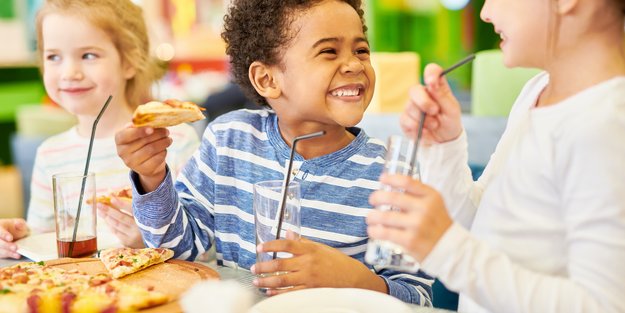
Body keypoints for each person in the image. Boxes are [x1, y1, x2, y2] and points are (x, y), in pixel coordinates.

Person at [115, 0, 433, 305]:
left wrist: (357, 280)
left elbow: (418, 298)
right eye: (328, 51)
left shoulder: (391, 172)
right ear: (267, 79)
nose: (353, 64)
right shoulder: (229, 140)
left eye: (361, 50)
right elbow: (178, 250)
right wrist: (152, 177)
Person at [366, 0, 625, 312]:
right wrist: (446, 145)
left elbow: (602, 305)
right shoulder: (537, 90)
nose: (485, 12)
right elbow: (479, 228)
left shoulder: (607, 124)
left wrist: (449, 251)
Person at [0, 0, 200, 259]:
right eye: (53, 57)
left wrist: (151, 237)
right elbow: (45, 244)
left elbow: (203, 246)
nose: (69, 72)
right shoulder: (50, 154)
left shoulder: (176, 141)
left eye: (88, 55)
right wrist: (16, 236)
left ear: (129, 60)